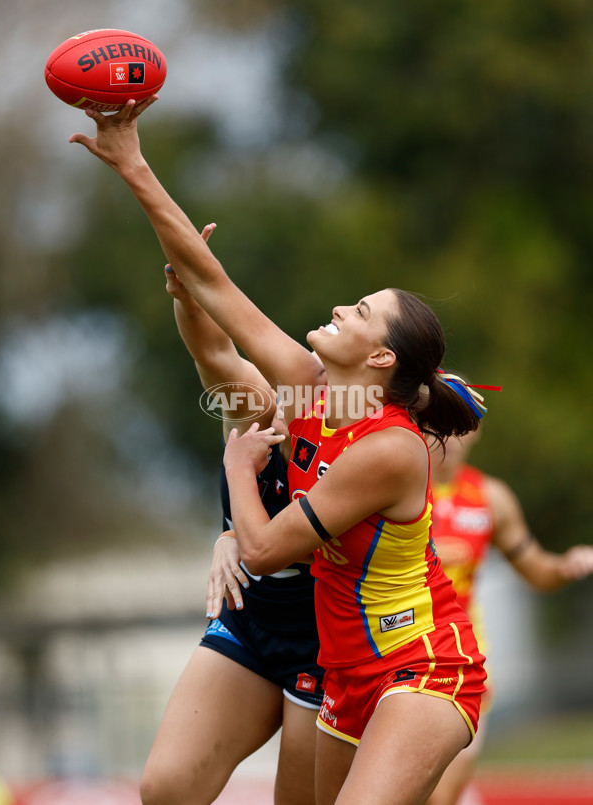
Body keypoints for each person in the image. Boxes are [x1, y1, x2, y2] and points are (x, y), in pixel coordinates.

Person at [69, 98, 489, 804]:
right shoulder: (307, 386)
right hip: (347, 673)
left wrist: (236, 493)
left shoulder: (389, 449)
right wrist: (131, 161)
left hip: (422, 663)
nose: (337, 309)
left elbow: (264, 550)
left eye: (357, 311)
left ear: (381, 356)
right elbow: (212, 286)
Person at [139, 247, 325, 805]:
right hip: (249, 619)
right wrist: (188, 299)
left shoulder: (353, 452)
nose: (290, 395)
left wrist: (232, 539)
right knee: (166, 789)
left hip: (323, 641)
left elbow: (270, 546)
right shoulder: (257, 409)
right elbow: (214, 349)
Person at [425, 430, 593, 805]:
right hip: (394, 656)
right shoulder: (389, 484)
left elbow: (536, 569)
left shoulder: (491, 498)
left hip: (463, 661)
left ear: (476, 432)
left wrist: (566, 566)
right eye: (437, 423)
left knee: (440, 798)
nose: (447, 438)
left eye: (459, 426)